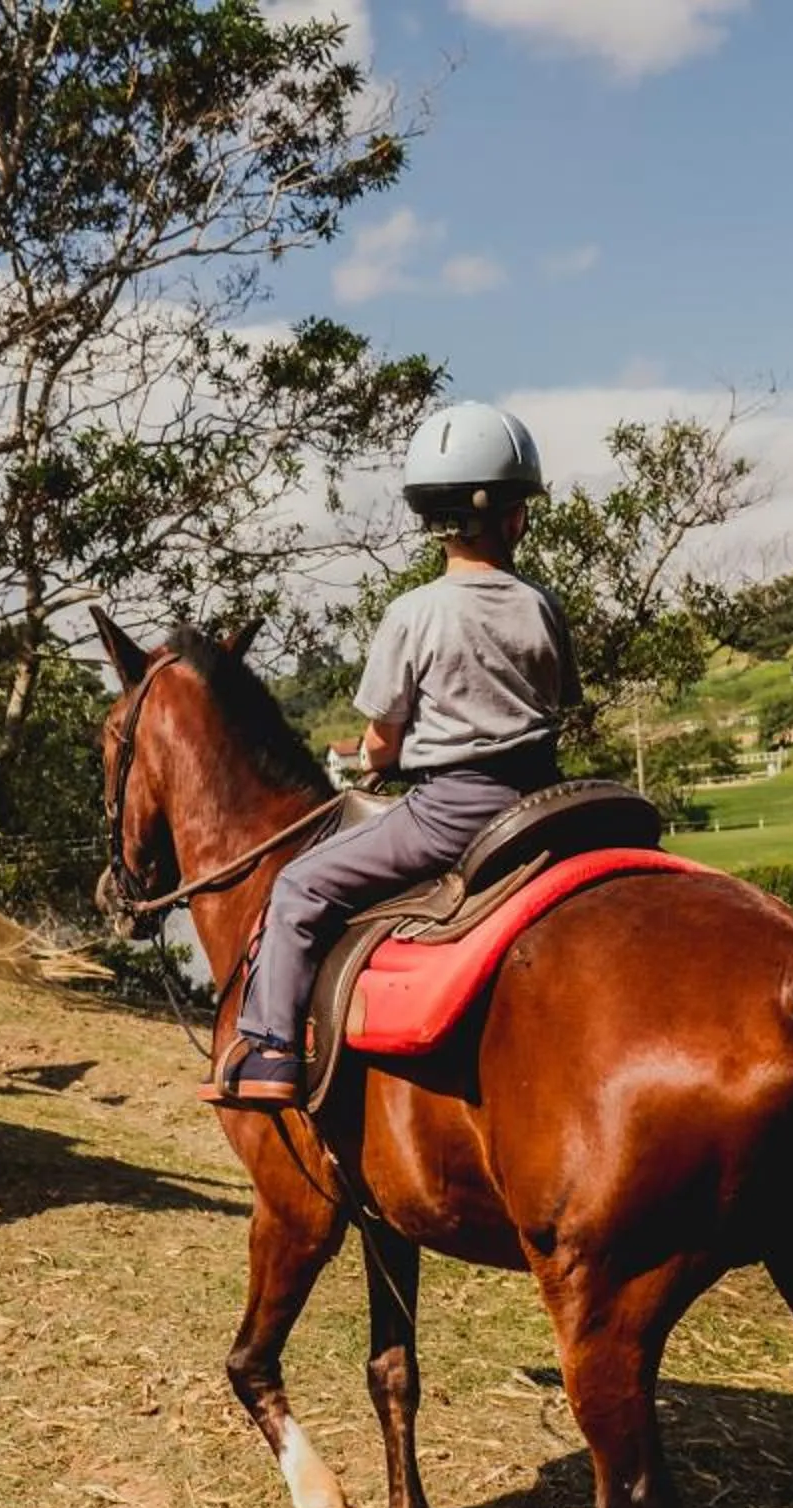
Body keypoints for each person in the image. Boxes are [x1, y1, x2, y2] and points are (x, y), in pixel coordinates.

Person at [207, 401, 577, 1107]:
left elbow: (382, 741)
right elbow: (557, 701)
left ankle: (272, 1049)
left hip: (451, 813)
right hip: (545, 802)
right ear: (515, 518)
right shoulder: (542, 605)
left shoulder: (414, 613)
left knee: (299, 885)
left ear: (431, 518)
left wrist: (379, 759)